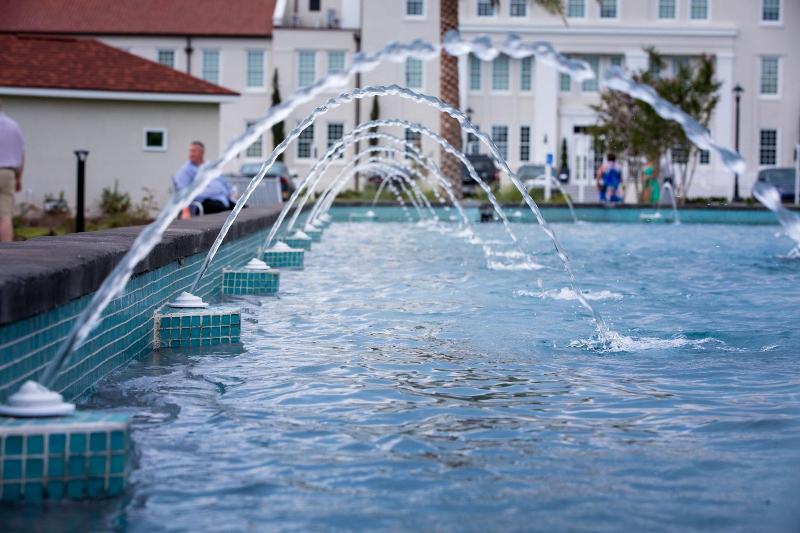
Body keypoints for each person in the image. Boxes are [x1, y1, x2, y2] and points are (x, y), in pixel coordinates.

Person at [172, 141, 233, 215]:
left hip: (223, 200)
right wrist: (185, 210)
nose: (191, 154)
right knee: (226, 214)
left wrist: (231, 192)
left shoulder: (211, 166)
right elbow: (181, 191)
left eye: (194, 151)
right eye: (190, 151)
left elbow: (224, 182)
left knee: (244, 210)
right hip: (204, 203)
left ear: (202, 152)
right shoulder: (185, 170)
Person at [0, 109, 25, 242]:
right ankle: (6, 252)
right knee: (5, 215)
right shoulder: (13, 126)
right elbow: (21, 154)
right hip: (7, 173)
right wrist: (19, 178)